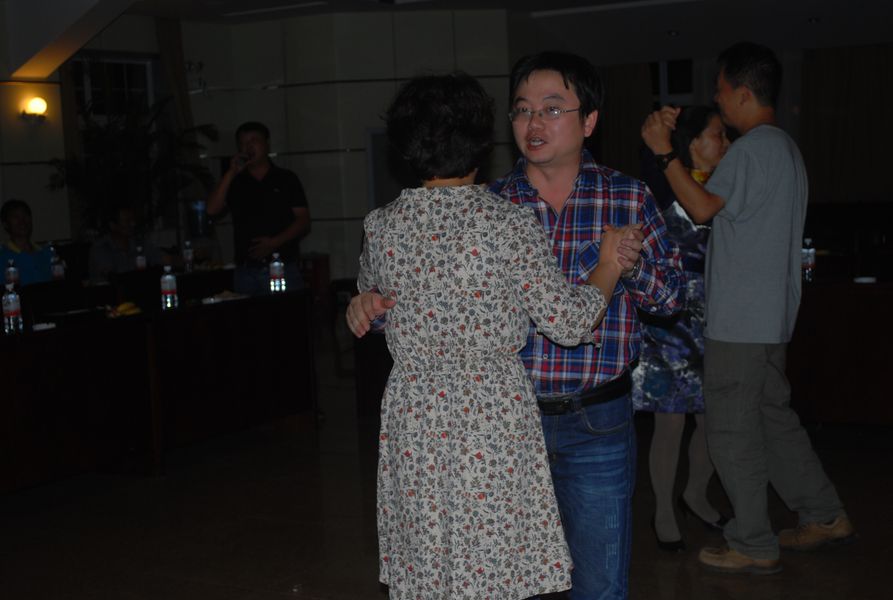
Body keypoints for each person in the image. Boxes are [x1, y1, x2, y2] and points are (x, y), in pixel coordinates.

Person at [350, 52, 684, 600]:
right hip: (503, 422)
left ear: (589, 120)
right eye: (523, 109)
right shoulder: (497, 207)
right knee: (498, 580)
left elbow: (671, 299)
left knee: (594, 584)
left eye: (552, 109)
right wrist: (367, 306)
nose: (533, 122)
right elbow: (407, 308)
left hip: (594, 419)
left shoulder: (627, 197)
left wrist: (631, 265)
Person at [641, 41, 855, 576]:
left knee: (733, 431)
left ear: (741, 92)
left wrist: (664, 154)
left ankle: (754, 542)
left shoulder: (751, 149)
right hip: (771, 318)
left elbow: (701, 208)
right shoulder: (785, 149)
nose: (717, 100)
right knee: (774, 421)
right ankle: (824, 514)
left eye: (720, 91)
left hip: (740, 322)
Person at [633, 106, 730, 552]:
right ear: (693, 143)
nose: (726, 143)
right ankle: (664, 511)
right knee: (670, 420)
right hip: (668, 317)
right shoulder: (662, 181)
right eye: (717, 135)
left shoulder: (726, 183)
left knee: (713, 417)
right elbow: (649, 162)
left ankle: (695, 494)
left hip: (718, 315)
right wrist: (662, 132)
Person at [206, 121, 310, 295]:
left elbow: (303, 221)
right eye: (243, 143)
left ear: (266, 144)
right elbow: (211, 209)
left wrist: (273, 243)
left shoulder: (286, 178)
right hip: (246, 271)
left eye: (253, 141)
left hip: (281, 266)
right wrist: (231, 172)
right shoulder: (236, 182)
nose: (248, 147)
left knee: (286, 311)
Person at [88, 206, 165, 283]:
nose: (133, 224)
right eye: (127, 221)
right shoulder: (100, 249)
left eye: (133, 220)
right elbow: (115, 279)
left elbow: (162, 258)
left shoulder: (138, 243)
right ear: (113, 225)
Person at [0, 199, 53, 287]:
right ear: (5, 224)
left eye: (25, 215)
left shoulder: (48, 253)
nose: (22, 221)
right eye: (16, 217)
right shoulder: (2, 257)